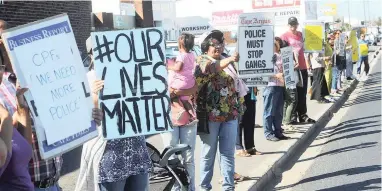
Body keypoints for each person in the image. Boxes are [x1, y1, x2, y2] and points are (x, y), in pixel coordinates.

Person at [75, 38, 152, 191]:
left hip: (137, 150)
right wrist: (95, 96)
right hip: (110, 156)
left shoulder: (130, 72)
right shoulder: (87, 79)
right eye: (98, 51)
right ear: (91, 55)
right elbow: (84, 121)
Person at [195, 30, 245, 191]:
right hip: (210, 116)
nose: (219, 47)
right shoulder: (202, 60)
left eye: (221, 43)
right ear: (206, 47)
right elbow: (210, 69)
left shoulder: (226, 60)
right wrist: (230, 59)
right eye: (215, 44)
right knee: (208, 154)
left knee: (228, 154)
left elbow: (236, 84)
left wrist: (240, 104)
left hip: (230, 114)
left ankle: (228, 187)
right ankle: (204, 188)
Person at [161, 33, 198, 191]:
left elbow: (194, 88)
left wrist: (176, 92)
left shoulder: (178, 61)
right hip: (170, 117)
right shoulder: (191, 56)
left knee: (188, 157)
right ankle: (177, 188)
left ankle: (190, 188)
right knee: (171, 157)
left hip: (185, 116)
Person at [281, 17, 315, 124]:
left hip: (303, 67)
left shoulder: (301, 35)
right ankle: (292, 116)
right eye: (291, 24)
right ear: (288, 25)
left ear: (297, 24)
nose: (293, 26)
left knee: (302, 92)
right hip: (292, 70)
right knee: (292, 94)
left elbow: (309, 46)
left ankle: (302, 114)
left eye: (295, 24)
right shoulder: (284, 37)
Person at [263, 38, 289, 141]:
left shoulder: (280, 56)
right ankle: (268, 132)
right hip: (270, 85)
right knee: (269, 110)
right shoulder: (265, 57)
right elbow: (263, 71)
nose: (274, 46)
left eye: (275, 44)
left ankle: (278, 131)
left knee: (278, 111)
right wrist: (276, 75)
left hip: (280, 85)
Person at [236, 87, 262, 156]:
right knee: (240, 121)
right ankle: (239, 148)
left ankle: (250, 147)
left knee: (250, 120)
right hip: (239, 92)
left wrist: (255, 86)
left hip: (250, 92)